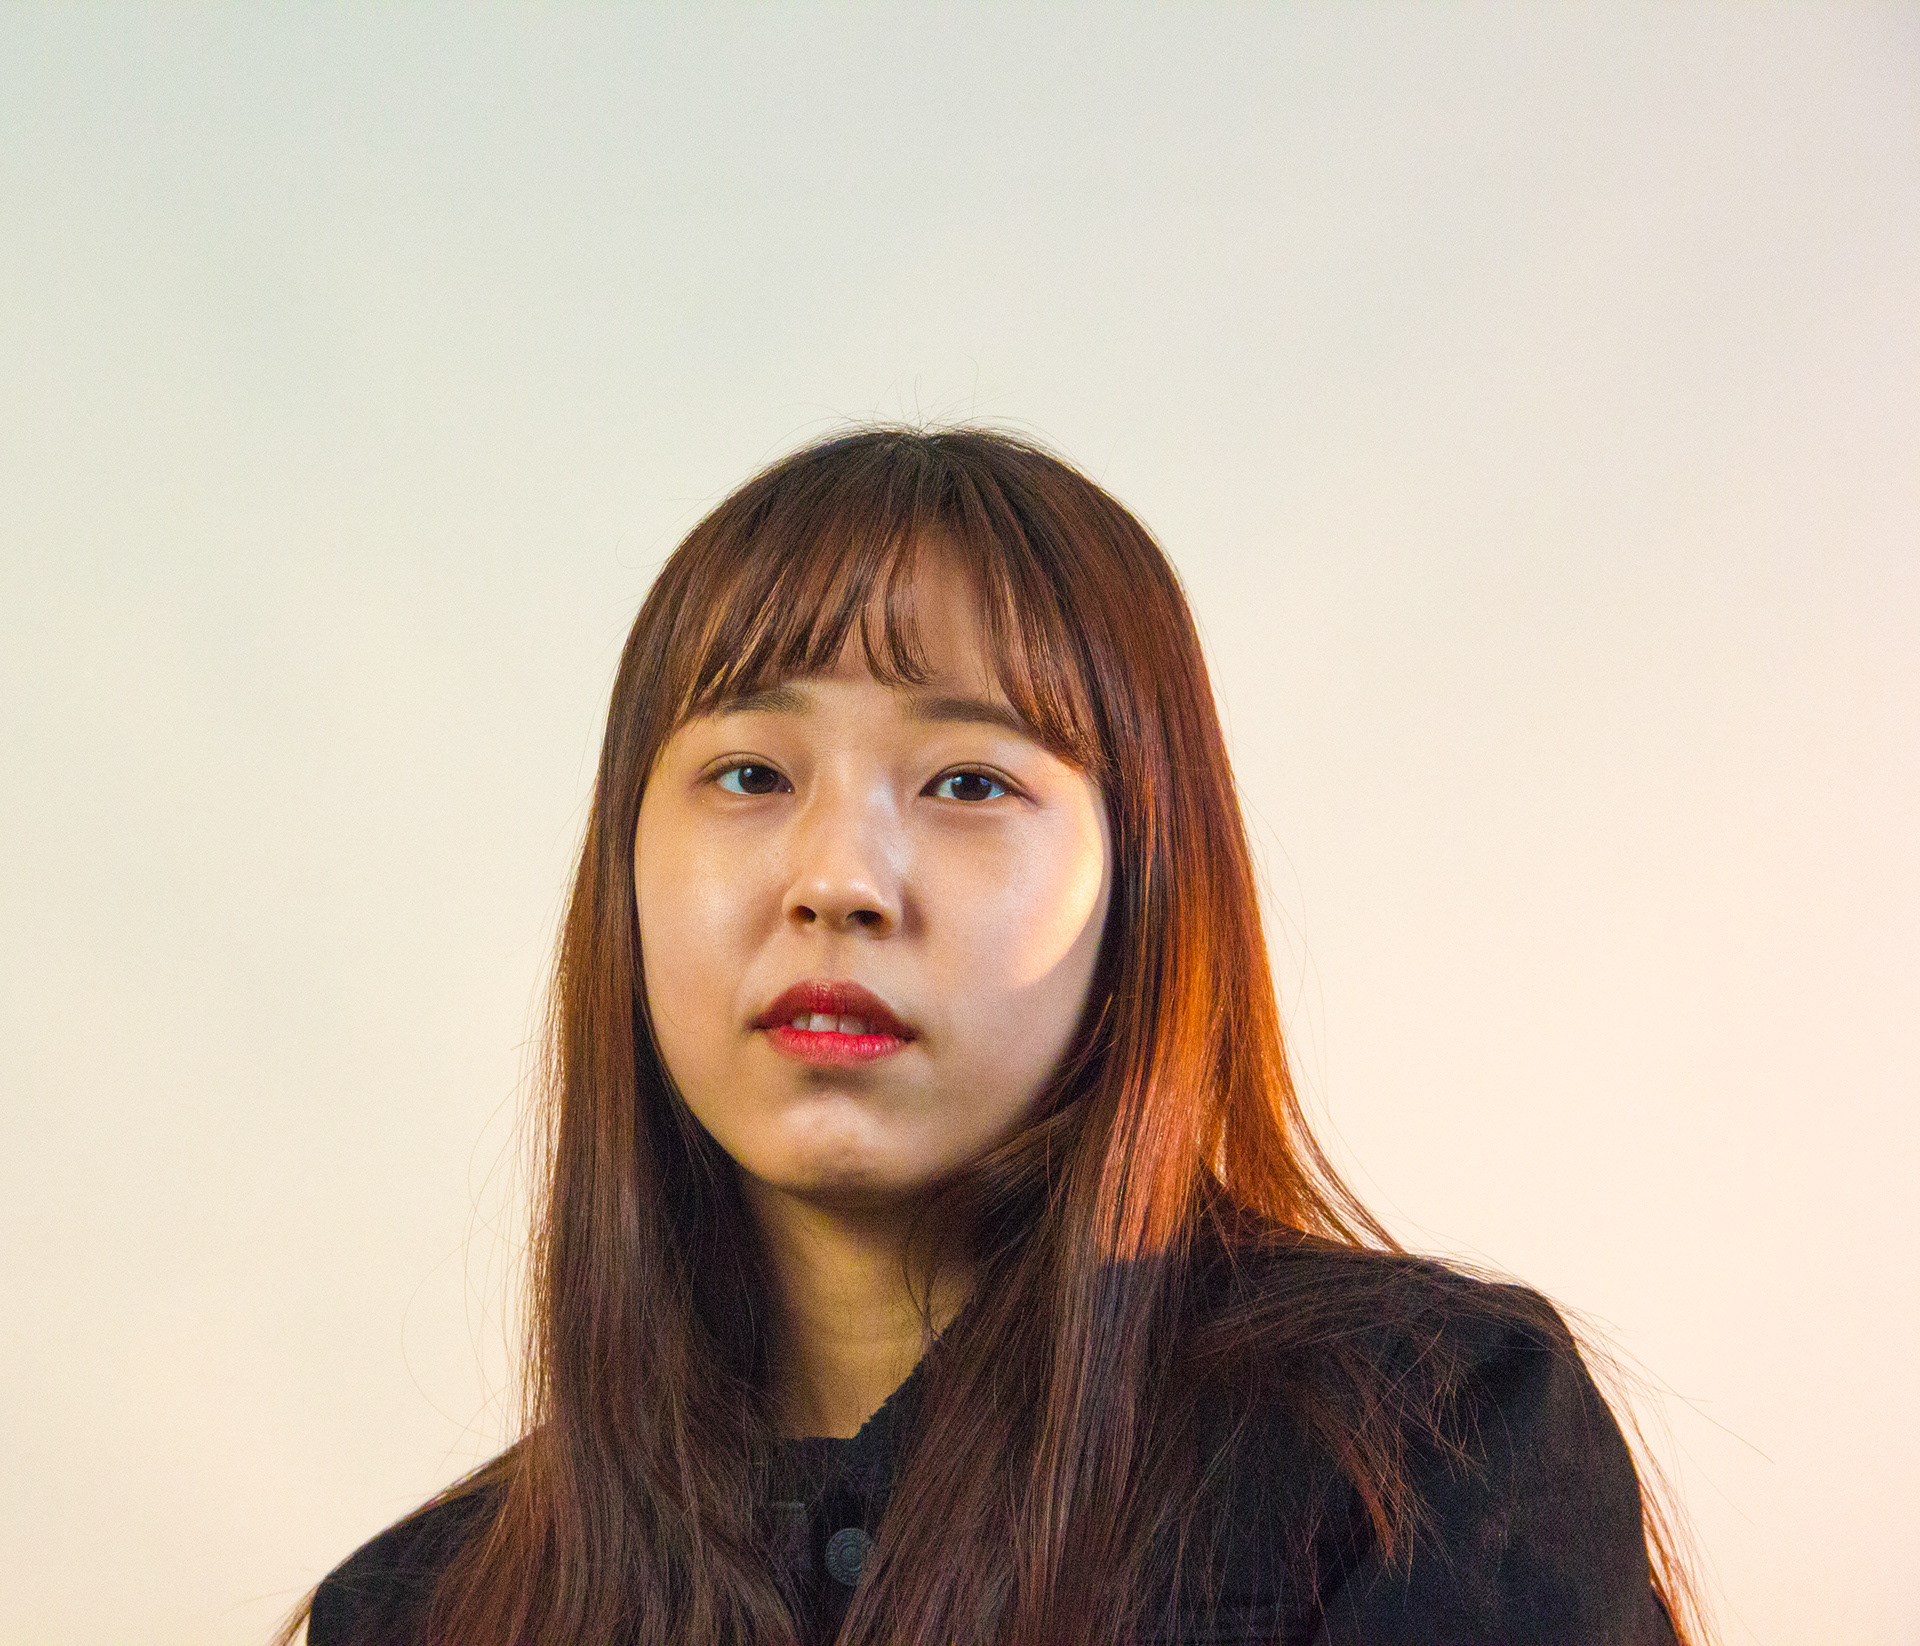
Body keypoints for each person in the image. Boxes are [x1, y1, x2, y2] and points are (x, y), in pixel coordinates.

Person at [286, 428, 1701, 1646]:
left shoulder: (1424, 1450)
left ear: (1147, 883)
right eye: (750, 772)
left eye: (968, 781)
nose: (837, 879)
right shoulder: (418, 1612)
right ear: (624, 875)